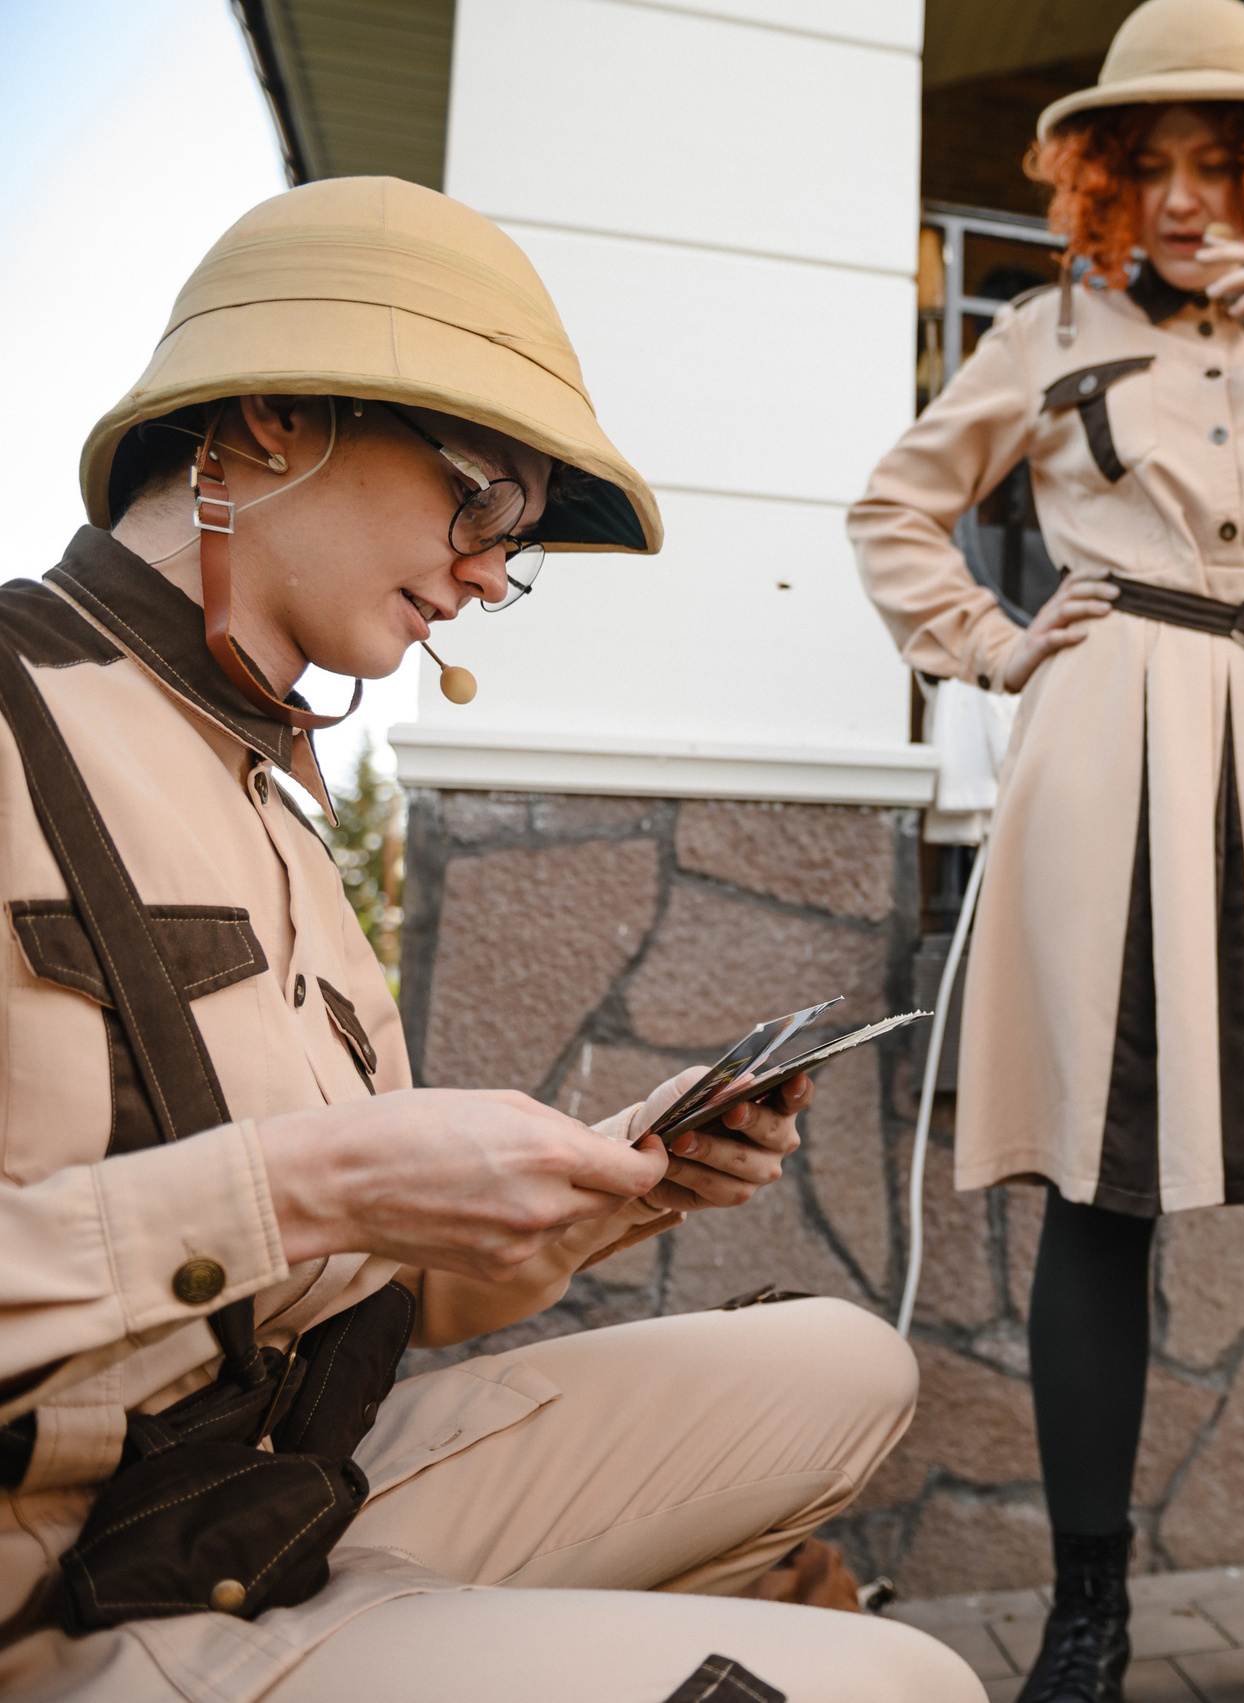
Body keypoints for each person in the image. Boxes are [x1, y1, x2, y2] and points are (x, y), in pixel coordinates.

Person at [0, 177, 978, 1703]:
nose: (482, 574)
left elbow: (382, 1296)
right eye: (478, 502)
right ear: (273, 414)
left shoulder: (280, 809)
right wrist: (310, 1179)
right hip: (78, 1585)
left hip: (292, 1491)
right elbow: (289, 1206)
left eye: (510, 544)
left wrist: (606, 1195)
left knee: (855, 1361)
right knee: (905, 1680)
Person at [844, 4, 1244, 1699]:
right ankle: (1089, 1608)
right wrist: (993, 643)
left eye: (1226, 164)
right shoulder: (1041, 327)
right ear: (1105, 182)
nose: (1190, 198)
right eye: (1155, 166)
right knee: (1101, 1185)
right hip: (1111, 747)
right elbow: (893, 506)